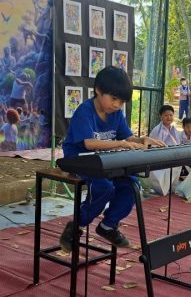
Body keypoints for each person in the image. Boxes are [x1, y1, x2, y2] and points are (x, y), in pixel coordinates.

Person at [60, 66, 165, 252]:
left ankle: (108, 226)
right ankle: (76, 225)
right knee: (104, 187)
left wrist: (142, 140)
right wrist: (120, 143)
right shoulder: (85, 111)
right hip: (79, 160)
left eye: (121, 101)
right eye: (114, 98)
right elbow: (89, 144)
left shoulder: (116, 114)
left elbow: (128, 137)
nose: (117, 105)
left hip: (104, 160)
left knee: (132, 186)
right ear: (98, 91)